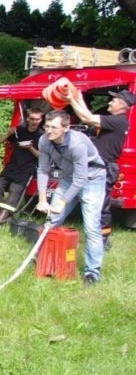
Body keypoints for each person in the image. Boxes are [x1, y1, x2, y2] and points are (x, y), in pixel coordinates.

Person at [36, 109, 107, 285]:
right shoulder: (44, 141)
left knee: (91, 227)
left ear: (66, 128)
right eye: (46, 126)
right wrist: (42, 199)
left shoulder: (77, 144)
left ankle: (92, 273)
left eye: (54, 127)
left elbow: (81, 178)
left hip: (92, 179)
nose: (48, 130)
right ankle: (43, 259)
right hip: (68, 179)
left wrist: (63, 201)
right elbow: (43, 170)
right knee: (51, 221)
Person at [69, 89, 133, 249]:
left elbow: (87, 118)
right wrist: (77, 98)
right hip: (99, 166)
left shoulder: (118, 121)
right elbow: (88, 116)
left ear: (122, 105)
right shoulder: (114, 119)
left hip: (105, 167)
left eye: (114, 100)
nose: (109, 102)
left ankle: (103, 241)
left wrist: (72, 100)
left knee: (101, 206)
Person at [0, 108, 44, 224]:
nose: (34, 122)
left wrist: (30, 147)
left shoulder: (42, 136)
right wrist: (8, 133)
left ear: (41, 119)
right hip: (12, 165)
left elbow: (41, 156)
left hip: (27, 168)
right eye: (32, 119)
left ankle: (3, 217)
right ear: (27, 119)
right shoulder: (19, 130)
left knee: (15, 191)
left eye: (37, 119)